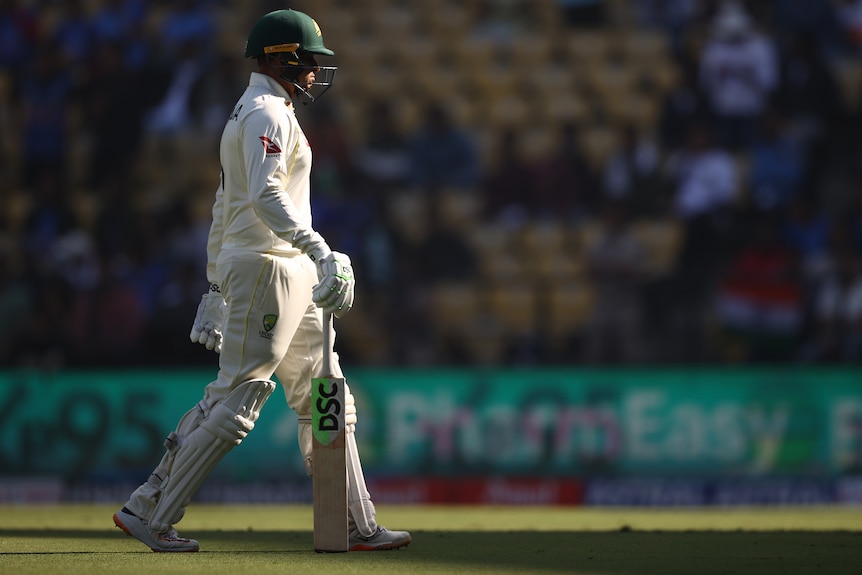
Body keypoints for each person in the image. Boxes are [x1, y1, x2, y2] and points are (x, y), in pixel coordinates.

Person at [111, 9, 411, 553]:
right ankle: (152, 513)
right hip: (268, 265)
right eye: (311, 61)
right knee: (238, 397)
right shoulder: (265, 112)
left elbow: (224, 202)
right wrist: (318, 251)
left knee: (326, 398)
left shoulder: (263, 110)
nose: (318, 73)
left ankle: (354, 524)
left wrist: (213, 278)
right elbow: (261, 196)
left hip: (280, 265)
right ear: (282, 57)